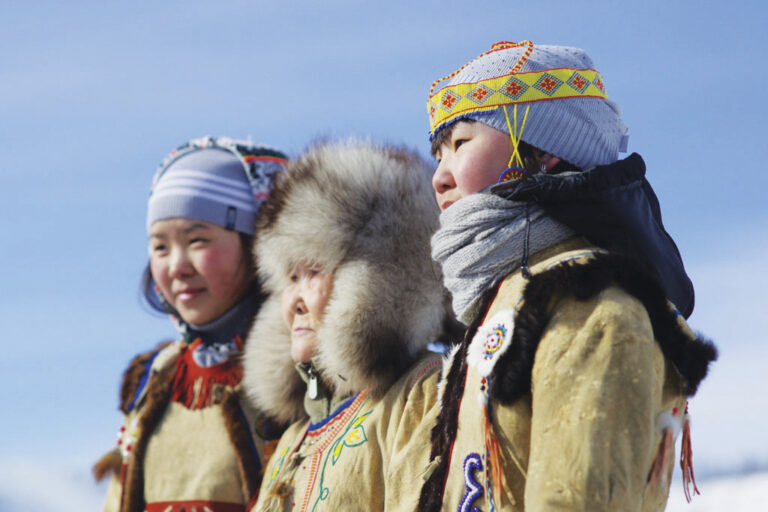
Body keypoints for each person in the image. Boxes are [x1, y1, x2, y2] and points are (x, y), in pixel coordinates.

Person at [417, 41, 718, 511]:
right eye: (438, 154)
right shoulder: (498, 306)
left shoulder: (592, 304)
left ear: (543, 150)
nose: (440, 176)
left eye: (460, 143)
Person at [242, 140, 450, 511]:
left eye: (314, 272)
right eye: (291, 278)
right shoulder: (293, 440)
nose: (295, 301)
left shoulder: (422, 396)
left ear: (377, 278)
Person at [93, 136, 288, 512]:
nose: (176, 266)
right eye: (160, 247)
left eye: (198, 240)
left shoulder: (301, 376)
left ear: (259, 244)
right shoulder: (155, 380)